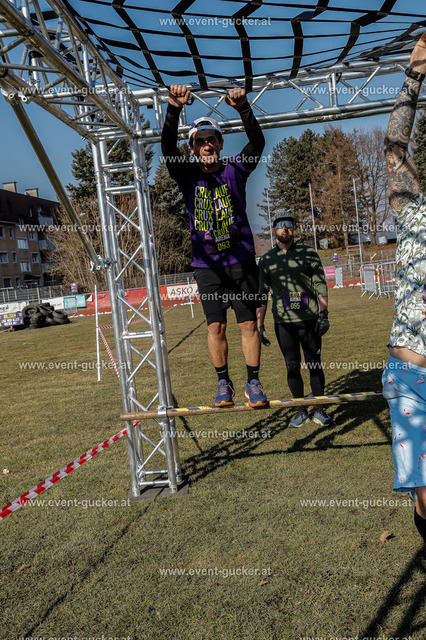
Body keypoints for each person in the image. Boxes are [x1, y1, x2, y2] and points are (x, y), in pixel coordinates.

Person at [161, 84, 268, 408]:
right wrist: (173, 108)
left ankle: (253, 381)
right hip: (207, 266)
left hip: (241, 261)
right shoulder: (186, 174)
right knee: (216, 326)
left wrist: (243, 107)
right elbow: (167, 147)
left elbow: (258, 143)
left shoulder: (236, 168)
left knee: (248, 324)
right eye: (200, 141)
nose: (206, 145)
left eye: (212, 139)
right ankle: (224, 382)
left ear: (220, 143)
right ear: (192, 148)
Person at [382, 33, 426, 544]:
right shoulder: (414, 213)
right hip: (411, 378)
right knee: (425, 496)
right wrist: (414, 76)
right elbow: (394, 148)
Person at [257, 210, 334, 427]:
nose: (285, 228)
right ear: (274, 229)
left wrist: (323, 313)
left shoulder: (308, 253)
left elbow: (320, 284)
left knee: (314, 364)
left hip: (309, 320)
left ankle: (320, 409)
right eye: (281, 224)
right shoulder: (266, 260)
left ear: (293, 229)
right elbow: (261, 294)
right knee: (292, 366)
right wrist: (260, 325)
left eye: (289, 224)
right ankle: (300, 411)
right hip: (283, 323)